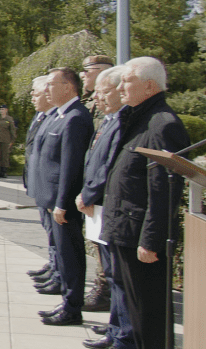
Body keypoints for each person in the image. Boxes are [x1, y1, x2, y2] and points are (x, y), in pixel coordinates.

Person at [101, 57, 188, 349]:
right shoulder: (139, 117)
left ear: (149, 86)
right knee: (135, 314)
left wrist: (151, 240)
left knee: (148, 317)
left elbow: (164, 190)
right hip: (126, 231)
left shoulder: (162, 124)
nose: (120, 86)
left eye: (127, 81)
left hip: (140, 237)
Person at [77, 66, 134, 349]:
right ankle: (115, 327)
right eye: (97, 92)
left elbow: (107, 166)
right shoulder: (109, 119)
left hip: (103, 204)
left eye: (104, 92)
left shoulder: (122, 121)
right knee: (111, 272)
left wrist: (88, 194)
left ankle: (123, 332)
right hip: (98, 205)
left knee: (116, 273)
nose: (98, 97)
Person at [31, 67, 94, 326]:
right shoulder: (59, 116)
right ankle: (68, 302)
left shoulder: (76, 117)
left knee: (70, 255)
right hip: (51, 199)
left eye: (52, 84)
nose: (47, 89)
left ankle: (72, 306)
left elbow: (71, 165)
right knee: (64, 254)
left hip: (62, 202)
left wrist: (61, 203)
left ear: (69, 87)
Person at [79, 54, 115, 314]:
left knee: (102, 242)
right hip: (90, 180)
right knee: (94, 239)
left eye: (87, 70)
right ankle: (102, 285)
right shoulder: (88, 102)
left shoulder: (111, 105)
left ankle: (104, 289)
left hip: (101, 187)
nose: (83, 75)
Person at [24, 76, 65, 297]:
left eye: (36, 92)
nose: (33, 96)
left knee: (56, 234)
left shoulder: (61, 118)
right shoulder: (42, 117)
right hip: (40, 184)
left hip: (51, 189)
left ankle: (58, 273)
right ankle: (53, 266)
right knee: (49, 231)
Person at [81, 55, 114, 126]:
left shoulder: (111, 98)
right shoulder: (88, 98)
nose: (82, 75)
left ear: (102, 72)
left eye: (86, 71)